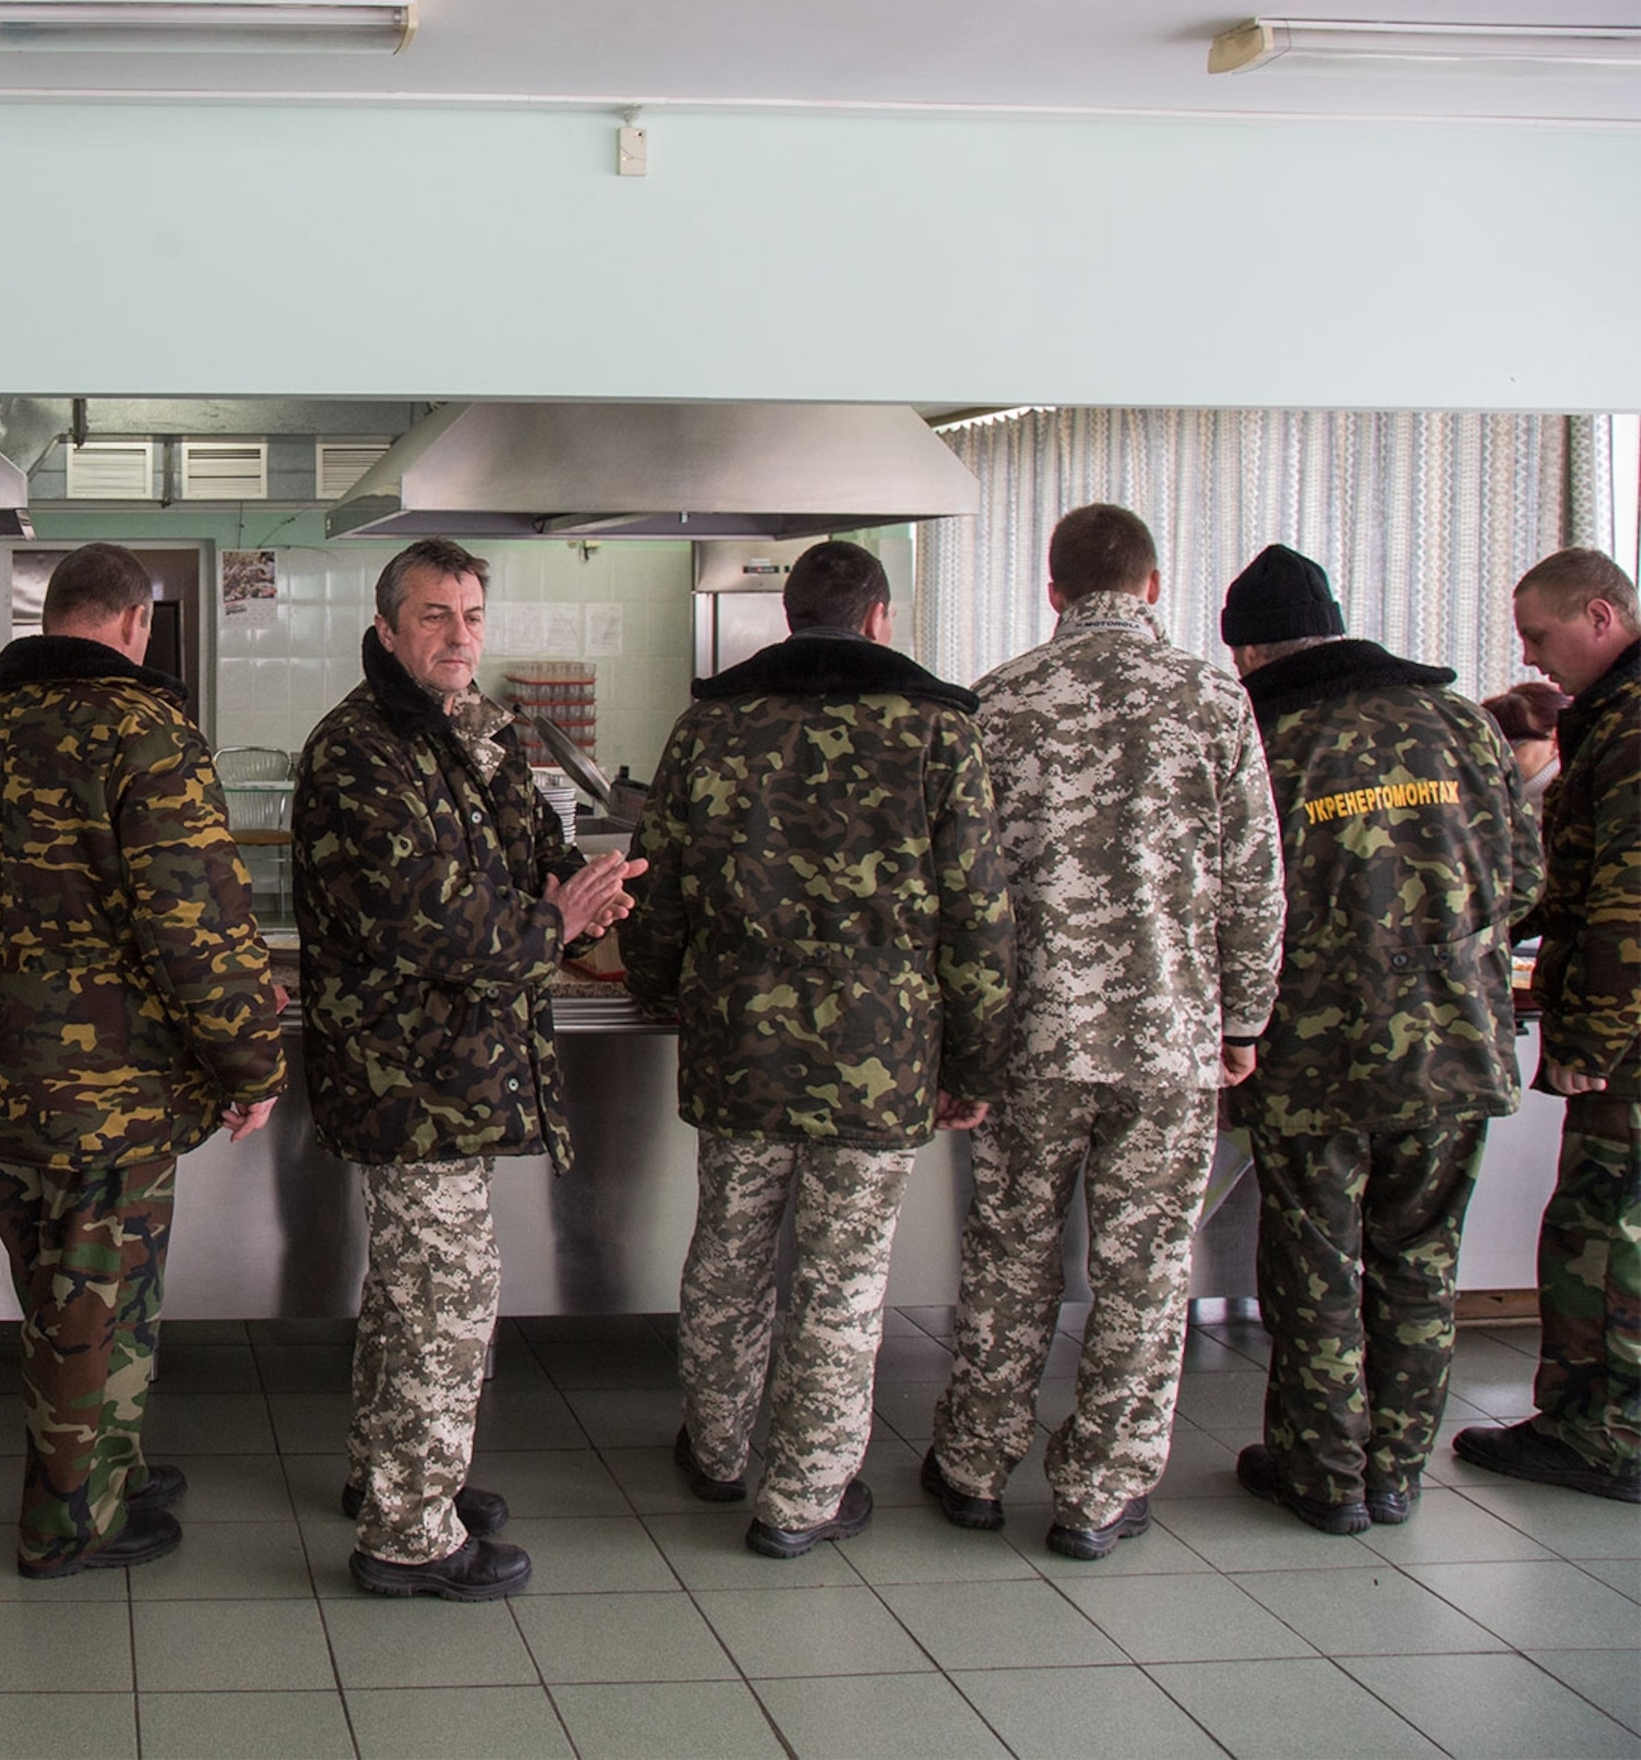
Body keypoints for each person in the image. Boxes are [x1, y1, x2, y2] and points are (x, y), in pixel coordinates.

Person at [622, 538, 1013, 1559]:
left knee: (728, 1255)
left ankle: (716, 1447)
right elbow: (979, 911)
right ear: (879, 617)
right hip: (880, 1062)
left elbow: (653, 880)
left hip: (738, 1044)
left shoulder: (710, 723)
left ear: (788, 618)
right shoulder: (938, 730)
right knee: (841, 1278)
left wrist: (663, 992)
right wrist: (973, 1064)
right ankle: (803, 1492)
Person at [0, 541, 287, 1580]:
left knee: (63, 1296)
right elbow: (195, 925)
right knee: (97, 1305)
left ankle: (104, 1468)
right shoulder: (146, 731)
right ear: (136, 622)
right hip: (109, 1093)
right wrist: (251, 1059)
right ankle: (67, 1526)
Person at [921, 509, 1284, 1558]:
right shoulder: (1218, 699)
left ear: (1052, 591)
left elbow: (967, 889)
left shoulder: (1000, 698)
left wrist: (966, 1038)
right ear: (1157, 583)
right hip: (1169, 1042)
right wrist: (1245, 1018)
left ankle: (973, 1465)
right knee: (1144, 1271)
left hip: (1034, 1040)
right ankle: (1099, 1490)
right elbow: (1257, 879)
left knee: (1009, 1257)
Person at [293, 537, 639, 1600]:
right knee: (446, 1296)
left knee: (412, 1292)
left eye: (474, 613)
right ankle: (409, 1534)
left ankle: (391, 1474)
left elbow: (530, 842)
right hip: (410, 1074)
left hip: (464, 1069)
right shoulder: (358, 748)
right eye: (436, 615)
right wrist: (553, 919)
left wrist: (580, 891)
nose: (459, 634)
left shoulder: (473, 728)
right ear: (389, 626)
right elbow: (428, 923)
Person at [1221, 542, 1540, 1532]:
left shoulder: (1264, 738)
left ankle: (1322, 1473)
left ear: (1249, 653)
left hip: (1313, 1050)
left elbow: (1233, 902)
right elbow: (1524, 881)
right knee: (1418, 1255)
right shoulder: (1460, 724)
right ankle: (1396, 1469)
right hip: (1453, 1039)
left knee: (1315, 1255)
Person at [1453, 546, 1641, 1504]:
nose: (1531, 656)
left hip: (1629, 1047)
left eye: (1541, 634)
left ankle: (1606, 1436)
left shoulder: (1632, 725)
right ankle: (1590, 1421)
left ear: (1600, 617)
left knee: (1603, 1233)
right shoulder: (1613, 716)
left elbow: (1627, 902)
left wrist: (1590, 1042)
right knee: (1600, 1228)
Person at [1483, 680, 1566, 816]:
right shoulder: (1489, 797)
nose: (1497, 755)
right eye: (1488, 746)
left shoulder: (1579, 796)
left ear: (1557, 739)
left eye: (1514, 744)